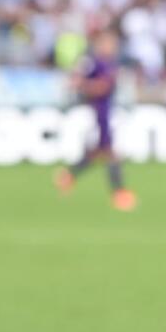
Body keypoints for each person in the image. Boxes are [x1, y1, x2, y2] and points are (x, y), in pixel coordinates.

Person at [54, 29, 138, 211]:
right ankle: (119, 192)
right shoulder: (95, 63)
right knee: (109, 152)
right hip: (100, 112)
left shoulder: (106, 63)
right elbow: (80, 82)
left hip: (107, 111)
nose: (112, 47)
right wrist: (91, 86)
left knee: (102, 152)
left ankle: (69, 175)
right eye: (109, 44)